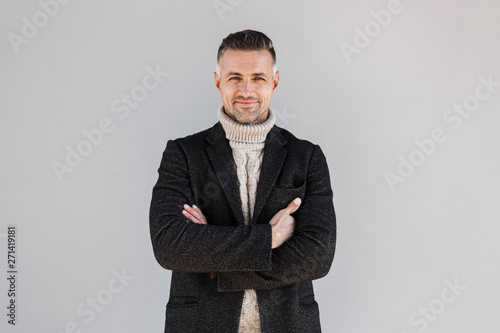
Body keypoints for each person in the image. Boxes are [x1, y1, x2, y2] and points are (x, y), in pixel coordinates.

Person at [149, 29, 336, 333]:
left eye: (258, 78)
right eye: (234, 77)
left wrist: (215, 264)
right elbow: (169, 245)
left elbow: (317, 256)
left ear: (274, 82)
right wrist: (269, 238)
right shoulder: (183, 154)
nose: (246, 90)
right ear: (217, 81)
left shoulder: (306, 157)